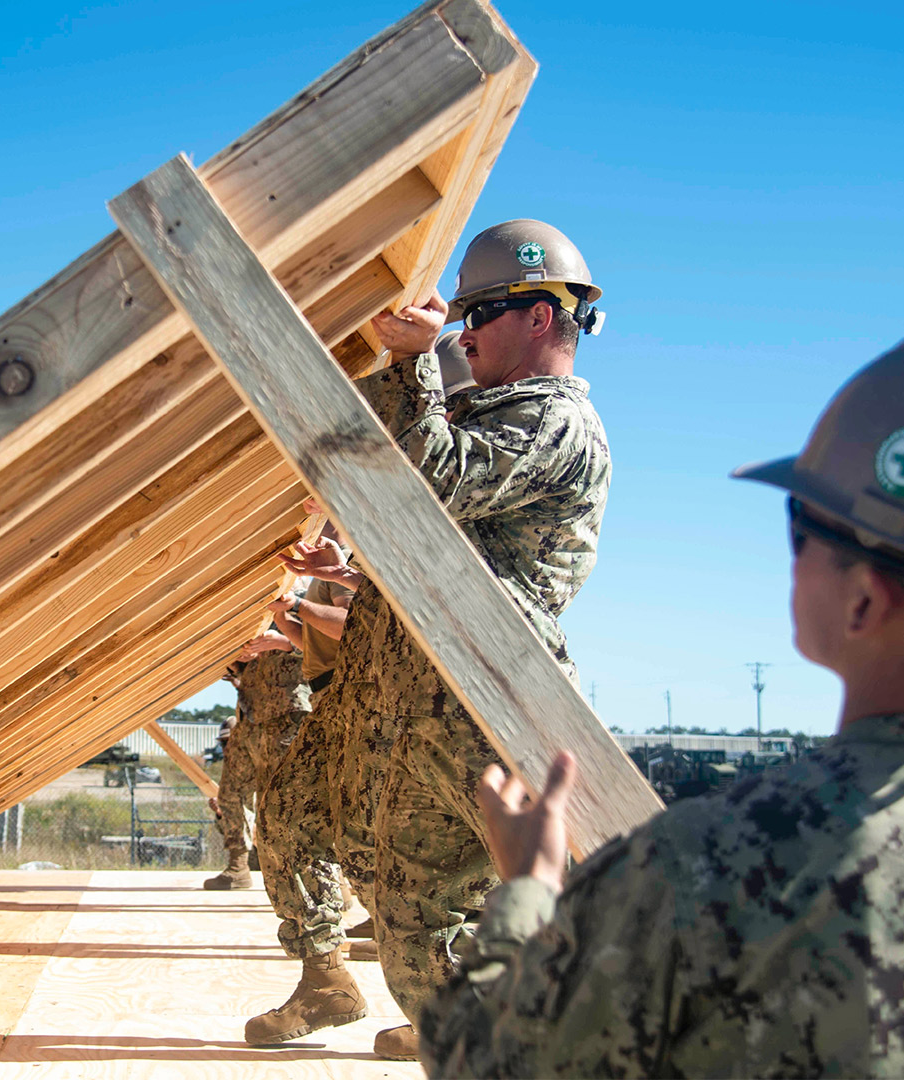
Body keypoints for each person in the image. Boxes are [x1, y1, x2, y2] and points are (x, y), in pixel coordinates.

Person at [419, 327, 904, 1078]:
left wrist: (527, 894)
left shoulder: (708, 868)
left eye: (802, 529)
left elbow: (483, 1059)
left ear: (863, 600)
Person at [361, 220, 611, 1059]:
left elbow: (427, 486)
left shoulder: (557, 423)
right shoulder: (487, 405)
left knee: (554, 921)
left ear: (541, 317)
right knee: (406, 917)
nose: (464, 334)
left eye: (481, 313)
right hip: (441, 713)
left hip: (502, 709)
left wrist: (410, 364)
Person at [244, 336, 479, 1046]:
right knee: (285, 814)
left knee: (419, 865)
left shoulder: (470, 472)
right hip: (364, 692)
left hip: (430, 703)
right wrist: (349, 574)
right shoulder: (412, 487)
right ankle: (325, 984)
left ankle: (452, 1012)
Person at [205, 640, 312, 889]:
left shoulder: (298, 607)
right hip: (251, 717)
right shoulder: (252, 620)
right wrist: (237, 663)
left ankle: (325, 884)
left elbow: (319, 646)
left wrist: (283, 641)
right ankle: (238, 866)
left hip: (287, 715)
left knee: (284, 801)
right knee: (230, 794)